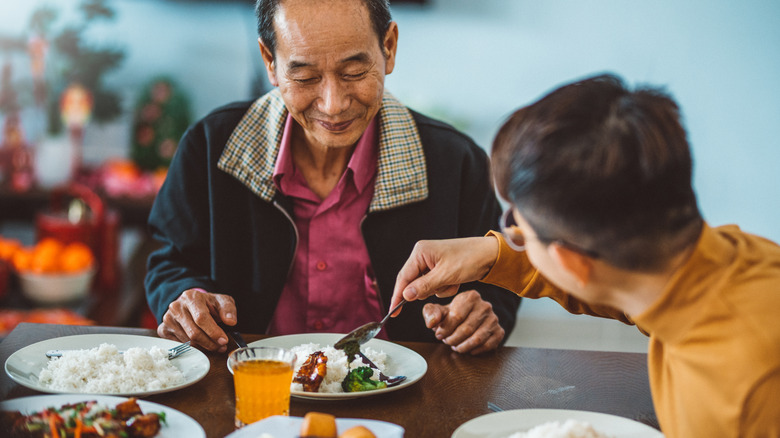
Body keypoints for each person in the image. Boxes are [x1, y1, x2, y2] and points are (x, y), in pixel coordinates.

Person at [390, 74, 780, 436]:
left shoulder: (743, 391)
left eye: (518, 226)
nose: (513, 235)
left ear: (572, 264)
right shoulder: (716, 260)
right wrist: (493, 252)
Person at [145, 0, 520, 355]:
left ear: (388, 48)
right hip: (256, 388)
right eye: (305, 77)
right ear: (270, 62)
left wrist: (482, 316)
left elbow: (499, 281)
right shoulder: (212, 147)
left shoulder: (453, 162)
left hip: (406, 397)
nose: (333, 104)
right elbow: (169, 262)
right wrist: (185, 298)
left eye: (354, 72)